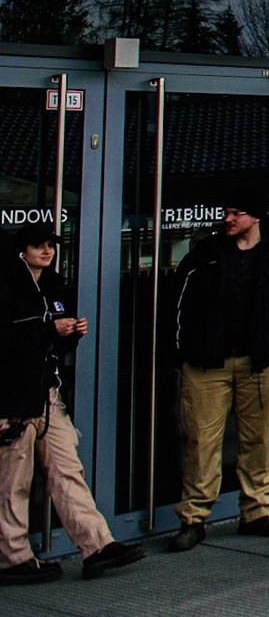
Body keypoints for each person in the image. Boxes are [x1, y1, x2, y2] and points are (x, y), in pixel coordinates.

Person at [168, 192, 269, 551]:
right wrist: (181, 352)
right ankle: (193, 519)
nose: (228, 218)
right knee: (202, 441)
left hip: (260, 364)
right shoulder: (204, 257)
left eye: (236, 213)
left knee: (259, 438)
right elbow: (177, 304)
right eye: (226, 212)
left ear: (256, 218)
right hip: (206, 364)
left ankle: (256, 512)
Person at [1, 225, 146, 584]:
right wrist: (51, 331)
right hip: (11, 397)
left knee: (67, 469)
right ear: (22, 250)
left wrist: (70, 335)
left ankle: (97, 545)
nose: (46, 251)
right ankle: (12, 557)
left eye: (51, 245)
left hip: (46, 393)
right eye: (38, 245)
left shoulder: (52, 287)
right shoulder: (6, 287)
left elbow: (51, 345)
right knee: (12, 480)